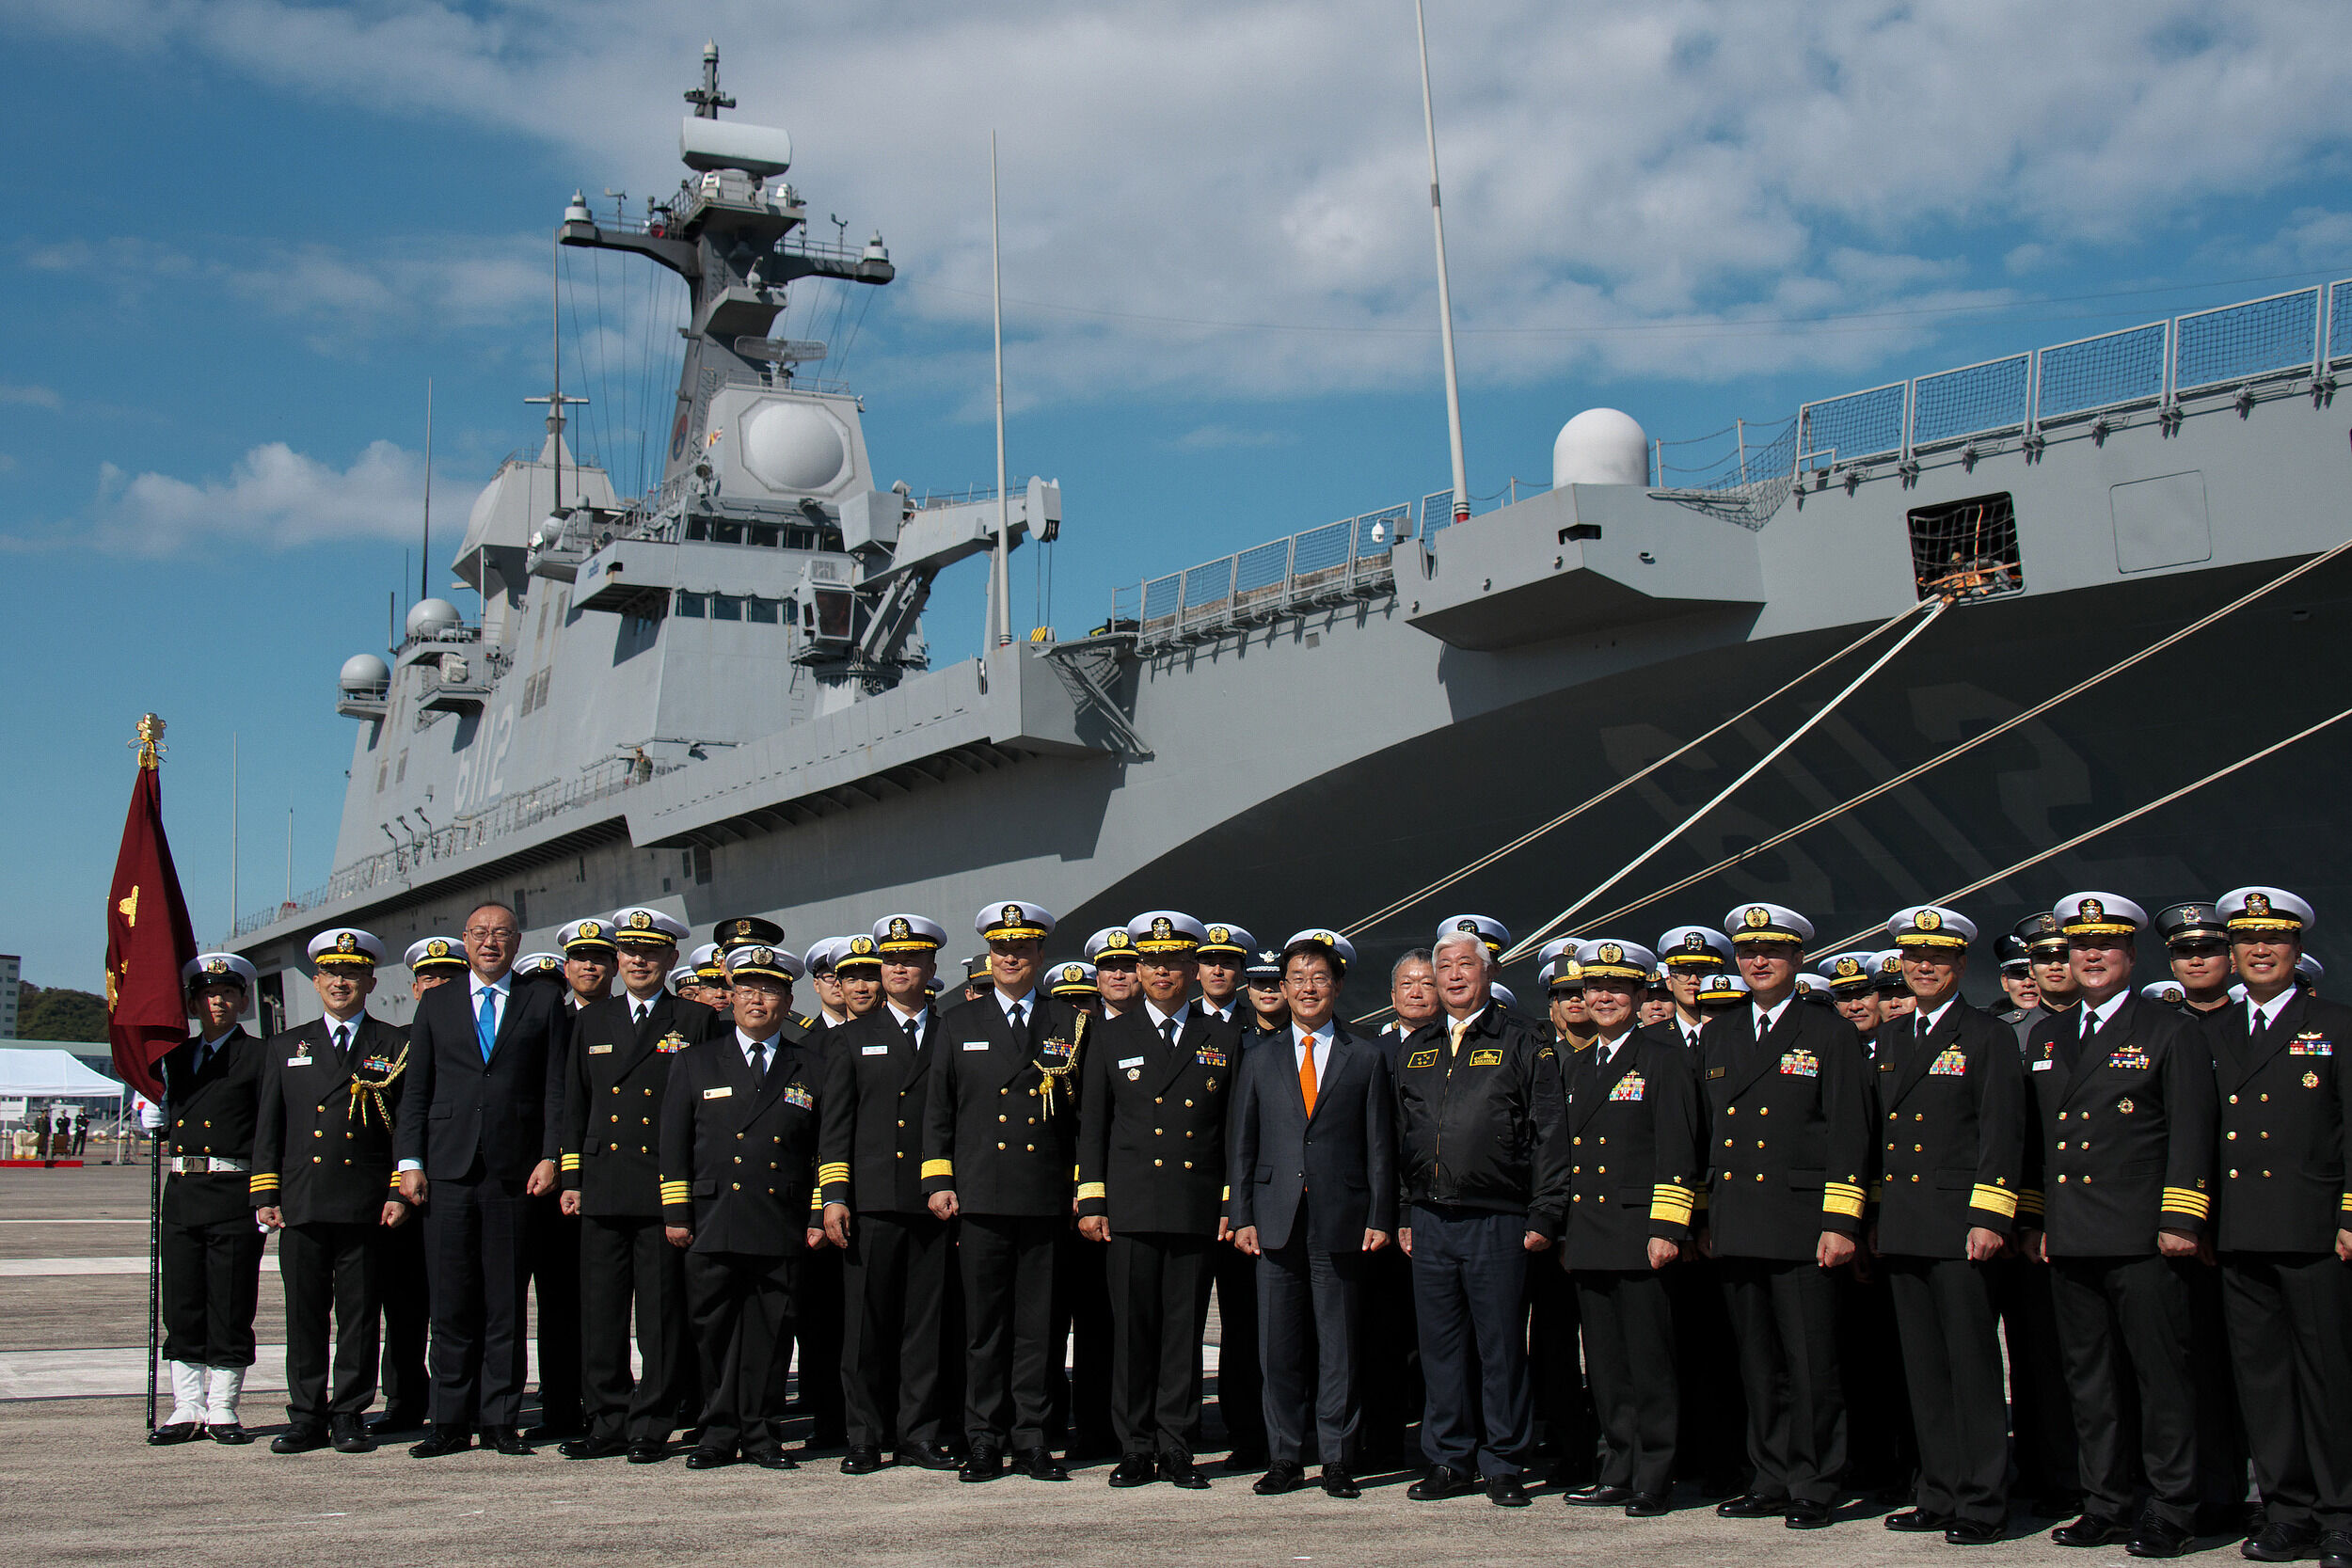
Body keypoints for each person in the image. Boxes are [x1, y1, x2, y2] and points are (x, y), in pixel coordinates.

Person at [2023, 893, 2216, 1559]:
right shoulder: (2047, 1035)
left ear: (2130, 955)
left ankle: (2171, 1505)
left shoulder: (2169, 1029)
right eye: (2081, 946)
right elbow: (2040, 1142)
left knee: (2161, 1377)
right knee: (2090, 1377)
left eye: (2105, 945)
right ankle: (2104, 1501)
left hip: (2142, 1236)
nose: (2092, 956)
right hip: (2073, 1235)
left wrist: (2181, 1218)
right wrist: (2038, 1221)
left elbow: (2191, 1133)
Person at [1702, 902, 1870, 1530]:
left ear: (1798, 958)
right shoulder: (1719, 1033)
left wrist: (1841, 1220)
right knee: (1757, 1361)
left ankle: (1815, 1479)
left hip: (1802, 1221)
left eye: (1772, 949)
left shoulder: (1828, 1031)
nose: (1759, 960)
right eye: (1748, 951)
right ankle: (1768, 1473)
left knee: (1810, 1363)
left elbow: (1850, 1130)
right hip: (1739, 1217)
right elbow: (1703, 1133)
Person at [1393, 919, 1569, 1507]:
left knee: (1499, 1347)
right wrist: (1402, 1211)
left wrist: (1545, 1213)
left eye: (1465, 966)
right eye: (1444, 968)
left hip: (1500, 1217)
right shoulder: (1415, 1049)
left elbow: (1549, 1131)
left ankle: (1504, 1462)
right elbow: (1398, 1138)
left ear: (1489, 972)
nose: (1453, 977)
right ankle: (1448, 1459)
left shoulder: (1524, 1038)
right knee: (1441, 1347)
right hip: (1431, 1218)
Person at [1868, 906, 2026, 1544]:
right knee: (1925, 1368)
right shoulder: (1891, 1037)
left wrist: (1991, 1215)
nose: (1923, 967)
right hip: (1906, 1225)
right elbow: (1879, 1137)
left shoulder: (1986, 1034)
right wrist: (1874, 1216)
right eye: (1913, 958)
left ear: (1961, 963)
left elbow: (2001, 1130)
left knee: (1972, 1367)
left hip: (1962, 1227)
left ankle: (1984, 1498)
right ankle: (1937, 1489)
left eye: (1936, 958)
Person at [2207, 888, 2352, 1568]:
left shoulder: (2337, 1023)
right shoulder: (2214, 1031)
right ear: (2233, 954)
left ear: (2297, 951)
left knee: (2330, 1377)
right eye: (2247, 940)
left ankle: (2343, 1513)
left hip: (2315, 1228)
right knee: (2263, 1379)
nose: (2260, 950)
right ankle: (2288, 1510)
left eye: (2274, 939)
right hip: (2240, 1233)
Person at [396, 900, 572, 1458]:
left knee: (505, 1303)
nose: (490, 942)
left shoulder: (543, 1002)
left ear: (517, 942)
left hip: (515, 1173)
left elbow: (555, 1090)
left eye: (501, 934)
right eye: (479, 933)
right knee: (450, 1302)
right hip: (447, 1171)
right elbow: (416, 1091)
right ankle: (448, 1418)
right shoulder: (438, 1002)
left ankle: (499, 1418)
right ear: (464, 941)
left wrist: (552, 1156)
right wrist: (410, 1162)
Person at [1077, 911, 1239, 1489]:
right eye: (1152, 962)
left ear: (1194, 970)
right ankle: (1136, 1446)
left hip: (1194, 1204)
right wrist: (1091, 1199)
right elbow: (1092, 1124)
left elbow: (1232, 1130)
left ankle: (1177, 1445)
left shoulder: (1223, 1035)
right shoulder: (1108, 1032)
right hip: (1131, 1204)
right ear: (1139, 970)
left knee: (1184, 1331)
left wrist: (1229, 1202)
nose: (1162, 972)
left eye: (1174, 962)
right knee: (1132, 1332)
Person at [1228, 929, 1391, 1499]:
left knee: (1340, 1344)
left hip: (1342, 1216)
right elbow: (1242, 1144)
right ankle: (1284, 1458)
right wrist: (1241, 1212)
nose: (1306, 989)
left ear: (1338, 986)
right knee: (1278, 1346)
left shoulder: (1366, 1055)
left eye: (1319, 978)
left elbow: (1380, 1145)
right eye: (1296, 979)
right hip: (1273, 1218)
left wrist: (1380, 1214)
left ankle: (1339, 1458)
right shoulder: (1258, 1056)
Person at [926, 901, 1085, 1481]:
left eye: (1022, 950)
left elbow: (1084, 1116)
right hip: (982, 1195)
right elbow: (938, 1112)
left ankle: (1033, 1439)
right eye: (1001, 950)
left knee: (1038, 1327)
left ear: (1040, 955)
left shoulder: (1068, 1021)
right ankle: (983, 1438)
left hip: (1043, 1197)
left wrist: (1081, 1189)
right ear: (989, 957)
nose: (1011, 958)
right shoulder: (956, 1024)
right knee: (984, 1328)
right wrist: (938, 1179)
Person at [556, 905, 715, 1463]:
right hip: (602, 1182)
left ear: (671, 958)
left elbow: (703, 1115)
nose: (639, 960)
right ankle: (606, 1419)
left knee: (661, 1314)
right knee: (600, 1311)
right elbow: (573, 1106)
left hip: (662, 1187)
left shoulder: (694, 1021)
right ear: (617, 958)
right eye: (629, 952)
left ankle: (651, 1422)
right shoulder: (590, 1022)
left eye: (650, 952)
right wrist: (571, 1175)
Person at [661, 944, 823, 1470]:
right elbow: (674, 1142)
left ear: (788, 999)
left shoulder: (810, 1065)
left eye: (771, 990)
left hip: (780, 1217)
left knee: (771, 1333)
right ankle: (716, 1432)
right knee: (712, 1329)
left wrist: (818, 1213)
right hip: (714, 1216)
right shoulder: (696, 1060)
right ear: (730, 998)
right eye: (748, 989)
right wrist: (676, 1213)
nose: (758, 999)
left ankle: (761, 1433)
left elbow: (824, 1147)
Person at [252, 927, 412, 1455]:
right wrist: (265, 1193)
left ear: (370, 981)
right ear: (316, 980)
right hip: (302, 1198)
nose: (341, 982)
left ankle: (348, 1412)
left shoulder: (393, 1043)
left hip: (366, 1201)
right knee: (305, 1314)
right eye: (331, 973)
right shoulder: (286, 1045)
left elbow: (405, 1127)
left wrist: (396, 1189)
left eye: (352, 973)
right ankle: (305, 1414)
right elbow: (269, 1127)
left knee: (360, 1316)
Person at [1557, 940, 1700, 1518]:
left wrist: (1669, 1226)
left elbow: (1678, 1146)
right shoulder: (1576, 1063)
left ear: (1642, 995)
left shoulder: (1665, 1056)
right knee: (1608, 1367)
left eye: (1618, 989)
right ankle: (1616, 1467)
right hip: (1590, 1232)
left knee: (1650, 1362)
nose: (1604, 998)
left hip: (1642, 1232)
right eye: (1595, 989)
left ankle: (1655, 1473)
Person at [819, 914, 961, 1475]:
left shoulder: (954, 1031)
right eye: (891, 959)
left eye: (912, 959)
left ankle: (918, 1434)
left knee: (924, 1328)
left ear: (930, 968)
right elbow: (835, 1125)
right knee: (865, 1329)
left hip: (932, 1200)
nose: (900, 967)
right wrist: (833, 1196)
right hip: (873, 1200)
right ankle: (864, 1435)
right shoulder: (851, 1036)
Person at [150, 952, 268, 1446]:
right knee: (181, 1303)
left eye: (228, 994)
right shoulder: (174, 1060)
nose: (218, 1002)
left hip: (233, 1191)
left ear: (243, 1000)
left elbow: (269, 1129)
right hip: (182, 1192)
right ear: (195, 1002)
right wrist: (153, 1113)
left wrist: (267, 1193)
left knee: (230, 1301)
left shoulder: (262, 1056)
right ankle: (185, 1407)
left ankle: (222, 1407)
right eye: (208, 994)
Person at [376, 939, 465, 1435]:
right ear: (414, 988)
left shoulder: (470, 1042)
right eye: (429, 979)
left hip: (453, 1188)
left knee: (457, 1302)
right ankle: (405, 1398)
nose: (438, 987)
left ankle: (458, 1397)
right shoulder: (393, 1047)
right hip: (403, 1195)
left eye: (448, 979)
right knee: (404, 1307)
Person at [1190, 920, 1264, 1470]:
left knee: (1244, 1325)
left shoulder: (1259, 1029)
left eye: (1231, 963)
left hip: (1239, 1205)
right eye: (1211, 962)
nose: (1220, 970)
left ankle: (1248, 1432)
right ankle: (1180, 1431)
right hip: (1185, 1201)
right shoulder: (1178, 1024)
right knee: (1181, 1324)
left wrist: (1232, 1201)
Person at [1360, 949, 1438, 1468]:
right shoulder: (1371, 1053)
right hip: (1380, 1214)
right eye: (1407, 983)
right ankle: (1383, 1443)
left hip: (1437, 1210)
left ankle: (1444, 1445)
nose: (1416, 991)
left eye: (1426, 983)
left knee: (1440, 1337)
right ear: (1391, 995)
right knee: (1381, 1337)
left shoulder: (1459, 1051)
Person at [2155, 902, 2235, 1013]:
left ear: (2231, 958)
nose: (2196, 961)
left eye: (2207, 950)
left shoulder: (2254, 1021)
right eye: (2184, 952)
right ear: (2172, 965)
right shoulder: (2157, 1027)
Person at [1087, 927, 1140, 1018]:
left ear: (1141, 974)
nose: (1118, 976)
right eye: (1110, 968)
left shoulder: (1164, 1027)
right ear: (1098, 980)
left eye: (1128, 967)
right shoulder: (1088, 1031)